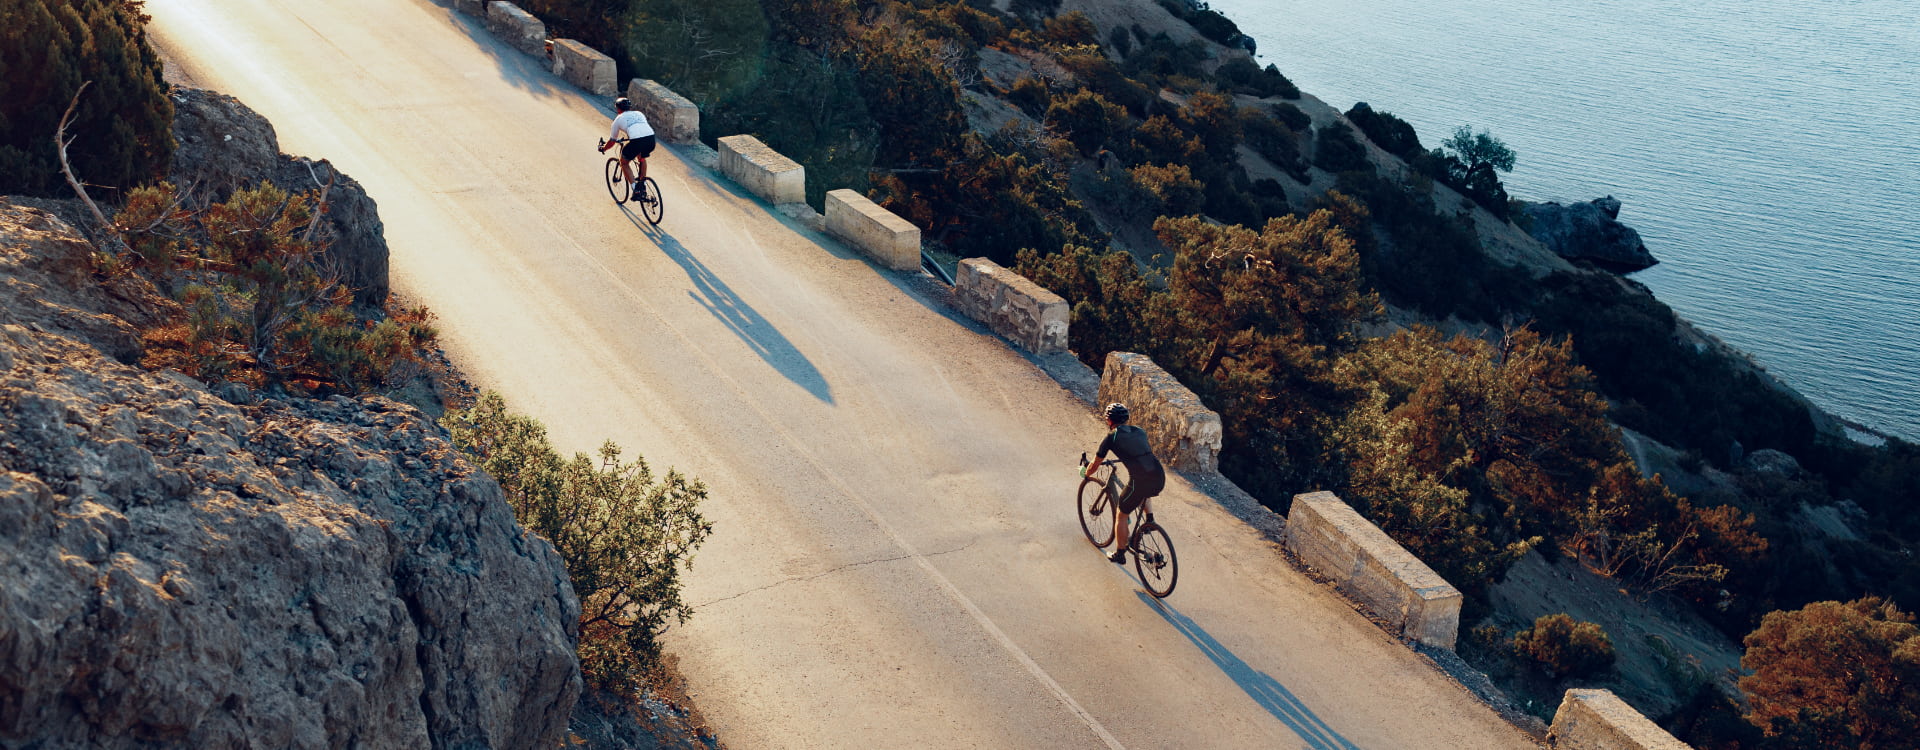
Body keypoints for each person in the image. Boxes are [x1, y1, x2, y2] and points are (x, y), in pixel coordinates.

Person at [1085, 402, 1166, 564]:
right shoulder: (1139, 431)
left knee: (1121, 515)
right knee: (1145, 492)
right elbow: (1137, 450)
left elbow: (1095, 463)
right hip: (1158, 476)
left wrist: (1086, 473)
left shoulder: (1111, 437)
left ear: (1109, 421)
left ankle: (1120, 553)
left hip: (1140, 481)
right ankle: (1149, 521)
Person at [597, 97, 656, 199]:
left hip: (637, 141)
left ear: (618, 109)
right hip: (651, 139)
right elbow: (639, 129)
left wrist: (603, 148)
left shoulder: (618, 120)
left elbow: (612, 141)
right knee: (641, 158)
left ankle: (636, 189)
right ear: (630, 107)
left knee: (624, 162)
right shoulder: (639, 113)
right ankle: (643, 185)